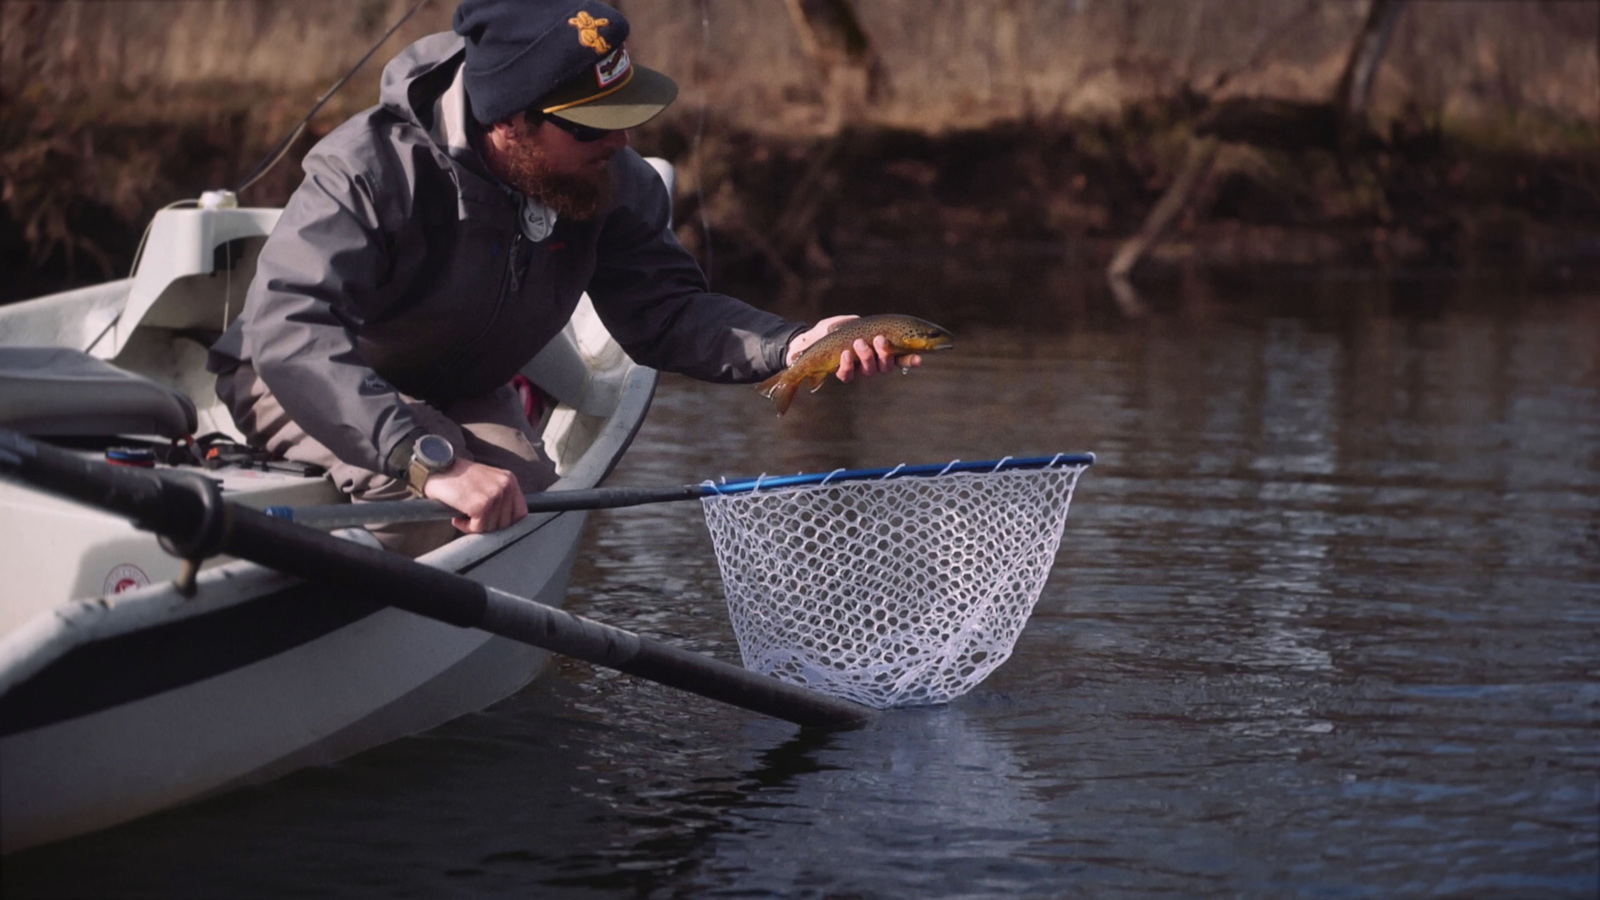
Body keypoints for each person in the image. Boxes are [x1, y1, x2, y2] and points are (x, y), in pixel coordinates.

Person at [207, 0, 919, 555]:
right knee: (439, 513)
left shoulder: (612, 180)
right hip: (298, 369)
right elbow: (291, 327)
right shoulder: (367, 167)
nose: (622, 142)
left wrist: (793, 345)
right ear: (508, 122)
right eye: (593, 125)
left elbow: (665, 311)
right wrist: (428, 459)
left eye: (626, 114)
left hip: (452, 381)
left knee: (528, 508)